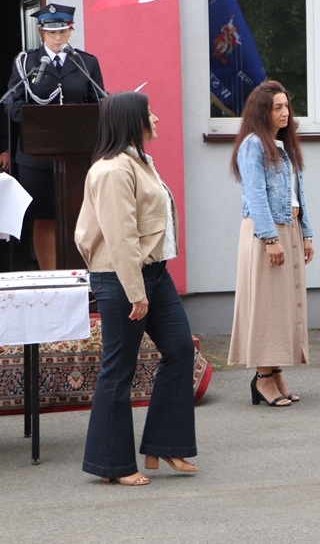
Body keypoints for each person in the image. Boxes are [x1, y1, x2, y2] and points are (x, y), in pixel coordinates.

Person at [74, 92, 197, 486]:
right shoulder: (112, 171)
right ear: (131, 121)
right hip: (123, 278)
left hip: (154, 273)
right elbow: (120, 237)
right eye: (149, 114)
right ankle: (113, 465)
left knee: (180, 350)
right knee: (118, 368)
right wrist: (135, 291)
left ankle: (165, 443)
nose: (156, 119)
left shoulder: (138, 161)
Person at [228, 81, 314, 408]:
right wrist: (270, 238)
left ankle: (276, 372)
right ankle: (263, 377)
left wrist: (306, 233)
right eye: (277, 107)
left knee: (282, 305)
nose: (285, 112)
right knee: (266, 305)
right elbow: (255, 195)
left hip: (288, 227)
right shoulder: (253, 146)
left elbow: (298, 195)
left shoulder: (284, 146)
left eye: (286, 106)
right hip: (267, 231)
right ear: (262, 111)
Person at [8, 3, 105, 270]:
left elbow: (98, 102)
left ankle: (79, 272)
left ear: (71, 31)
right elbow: (13, 104)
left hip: (78, 154)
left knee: (79, 214)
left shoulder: (85, 62)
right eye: (52, 33)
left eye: (63, 31)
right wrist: (40, 124)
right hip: (36, 155)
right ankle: (49, 275)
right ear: (42, 33)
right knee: (44, 216)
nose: (58, 38)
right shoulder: (26, 63)